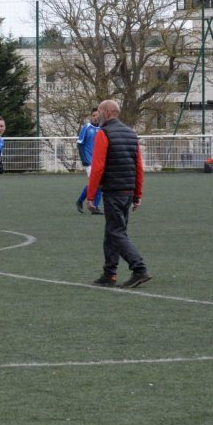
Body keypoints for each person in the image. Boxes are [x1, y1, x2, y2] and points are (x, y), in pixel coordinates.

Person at [86, 99, 152, 288]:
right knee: (111, 232)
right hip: (128, 191)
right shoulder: (131, 134)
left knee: (116, 232)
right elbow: (138, 166)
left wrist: (91, 196)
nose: (96, 116)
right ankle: (109, 273)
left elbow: (97, 167)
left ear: (107, 112)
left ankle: (139, 268)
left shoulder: (103, 133)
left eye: (98, 112)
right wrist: (137, 193)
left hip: (113, 191)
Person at [76, 108, 104, 215]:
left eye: (97, 115)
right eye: (93, 115)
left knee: (99, 184)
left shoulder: (102, 128)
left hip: (99, 161)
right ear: (91, 116)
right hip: (89, 160)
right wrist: (84, 160)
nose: (95, 117)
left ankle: (80, 201)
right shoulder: (86, 127)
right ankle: (95, 207)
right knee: (97, 183)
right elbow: (80, 144)